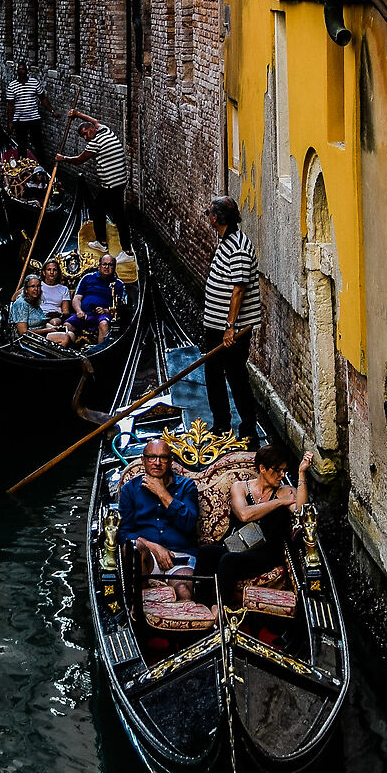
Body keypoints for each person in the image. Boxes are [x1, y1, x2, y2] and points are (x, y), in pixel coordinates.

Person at [202, 196, 262, 446]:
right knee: (214, 373)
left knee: (235, 377)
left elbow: (239, 289)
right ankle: (222, 425)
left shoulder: (237, 247)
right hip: (218, 326)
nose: (208, 218)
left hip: (230, 330)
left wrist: (229, 327)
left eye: (209, 214)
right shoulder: (227, 241)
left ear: (216, 218)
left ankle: (247, 430)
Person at [220, 441, 312, 593]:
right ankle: (197, 606)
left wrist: (302, 473)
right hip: (238, 546)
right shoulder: (240, 487)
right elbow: (244, 515)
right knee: (206, 553)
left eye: (284, 471)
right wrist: (279, 502)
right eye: (277, 470)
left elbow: (302, 512)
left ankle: (220, 608)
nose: (282, 475)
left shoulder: (285, 491)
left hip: (265, 554)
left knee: (227, 561)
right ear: (262, 468)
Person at [118, 433, 202, 582]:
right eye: (152, 457)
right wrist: (154, 547)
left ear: (170, 461)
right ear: (143, 460)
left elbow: (189, 524)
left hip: (180, 557)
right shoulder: (129, 489)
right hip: (146, 556)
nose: (157, 462)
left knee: (183, 589)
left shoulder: (187, 486)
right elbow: (124, 533)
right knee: (134, 548)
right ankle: (137, 602)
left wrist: (162, 493)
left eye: (163, 458)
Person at [57, 111, 126, 233]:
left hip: (111, 184)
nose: (85, 138)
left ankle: (103, 243)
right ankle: (122, 245)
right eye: (82, 136)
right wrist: (77, 114)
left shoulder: (94, 143)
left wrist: (63, 158)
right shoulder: (105, 130)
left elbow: (78, 160)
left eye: (85, 134)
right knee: (117, 212)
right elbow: (94, 121)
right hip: (121, 180)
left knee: (98, 210)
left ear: (92, 129)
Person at [71, 248, 124, 343]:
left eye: (110, 265)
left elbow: (120, 306)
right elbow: (77, 298)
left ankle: (100, 353)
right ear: (99, 266)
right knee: (67, 325)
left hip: (103, 316)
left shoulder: (118, 284)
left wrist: (106, 310)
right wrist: (79, 311)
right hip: (84, 314)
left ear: (114, 267)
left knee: (103, 324)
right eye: (104, 264)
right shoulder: (87, 278)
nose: (106, 267)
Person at [9, 271, 66, 341]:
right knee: (64, 338)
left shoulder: (34, 301)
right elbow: (23, 332)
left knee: (70, 334)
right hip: (26, 339)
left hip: (40, 333)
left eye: (38, 286)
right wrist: (47, 330)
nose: (36, 289)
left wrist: (54, 328)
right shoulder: (21, 304)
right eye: (32, 286)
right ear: (26, 290)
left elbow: (41, 322)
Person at [5, 62, 45, 160]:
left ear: (26, 71)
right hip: (19, 120)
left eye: (22, 69)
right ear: (17, 72)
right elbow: (10, 106)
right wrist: (10, 122)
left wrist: (53, 111)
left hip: (34, 118)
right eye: (19, 69)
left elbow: (43, 98)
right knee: (22, 145)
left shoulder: (34, 83)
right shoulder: (12, 86)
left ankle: (42, 164)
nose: (21, 71)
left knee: (38, 143)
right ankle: (22, 165)